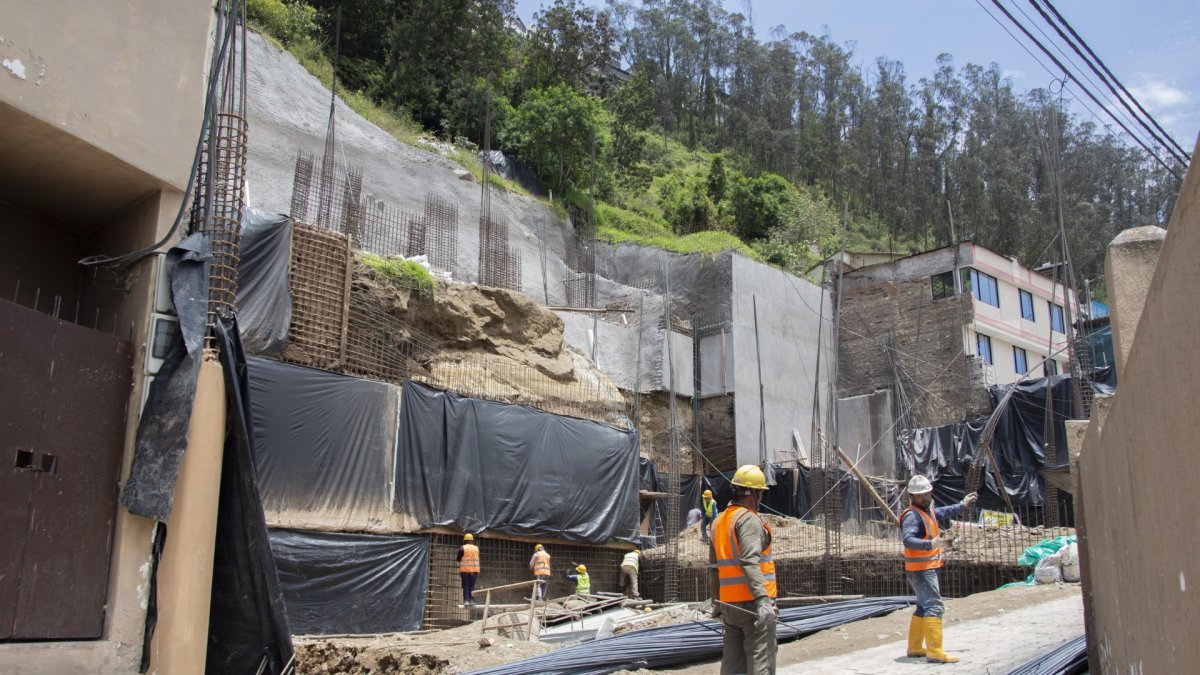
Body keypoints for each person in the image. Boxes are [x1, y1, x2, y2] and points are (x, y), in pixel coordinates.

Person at [899, 475, 978, 663]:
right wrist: (930, 544)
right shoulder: (912, 515)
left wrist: (962, 504)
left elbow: (942, 512)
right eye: (920, 496)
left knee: (922, 606)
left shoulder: (928, 511)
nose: (925, 498)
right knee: (934, 606)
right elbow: (908, 539)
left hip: (924, 568)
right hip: (921, 570)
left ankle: (915, 647)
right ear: (911, 496)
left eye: (927, 494)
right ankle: (935, 652)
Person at [709, 464, 778, 675]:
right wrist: (763, 601)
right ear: (754, 494)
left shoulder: (720, 521)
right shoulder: (748, 520)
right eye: (761, 493)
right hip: (753, 606)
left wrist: (717, 602)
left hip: (730, 605)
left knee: (733, 666)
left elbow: (714, 567)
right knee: (761, 661)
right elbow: (750, 561)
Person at [457, 533, 480, 607]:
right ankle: (471, 601)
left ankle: (466, 601)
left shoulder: (462, 548)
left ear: (465, 541)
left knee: (466, 585)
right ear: (472, 541)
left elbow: (458, 559)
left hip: (465, 570)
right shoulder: (476, 548)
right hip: (474, 570)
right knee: (472, 586)